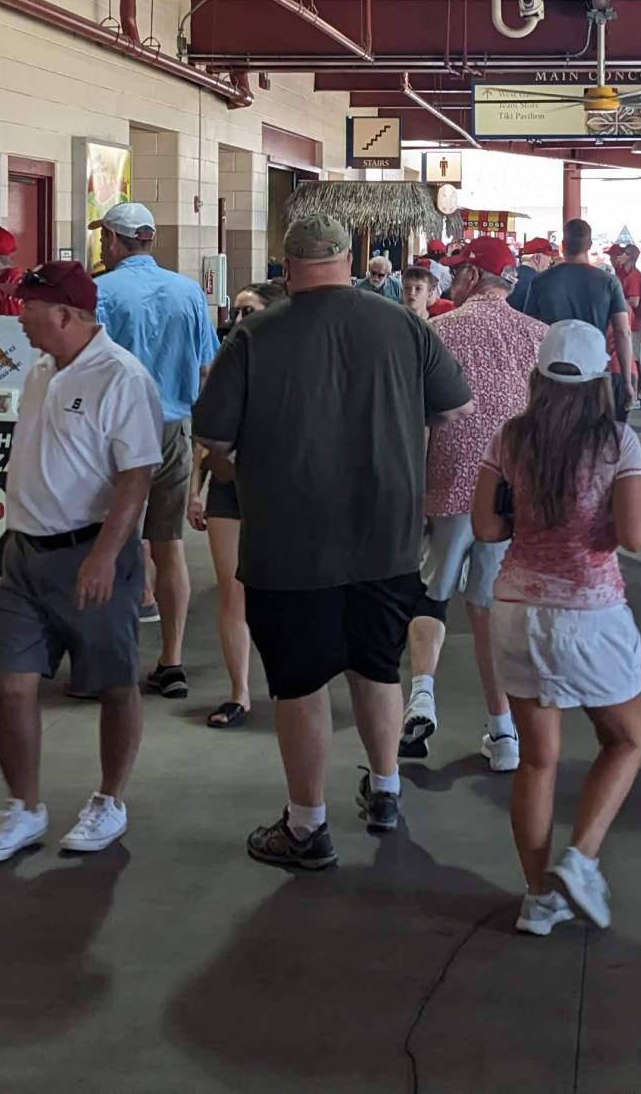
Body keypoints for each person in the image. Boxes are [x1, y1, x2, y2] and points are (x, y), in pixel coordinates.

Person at [193, 213, 473, 870]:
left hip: (288, 544)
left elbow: (214, 439)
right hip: (387, 538)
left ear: (287, 269)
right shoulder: (405, 325)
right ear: (351, 260)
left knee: (299, 684)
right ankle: (384, 790)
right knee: (377, 667)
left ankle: (306, 825)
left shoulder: (253, 336)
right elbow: (454, 409)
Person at [0, 260, 165, 862]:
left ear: (63, 314)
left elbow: (137, 475)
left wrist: (106, 556)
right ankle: (24, 808)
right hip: (26, 556)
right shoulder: (40, 371)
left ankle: (109, 800)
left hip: (90, 554)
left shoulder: (121, 377)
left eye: (25, 310)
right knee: (8, 685)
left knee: (112, 683)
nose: (18, 321)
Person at [472, 320, 641, 936]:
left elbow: (487, 530)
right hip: (591, 613)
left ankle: (536, 898)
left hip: (517, 611)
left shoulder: (510, 439)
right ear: (602, 378)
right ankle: (581, 858)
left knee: (537, 761)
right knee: (625, 741)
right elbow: (636, 536)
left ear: (538, 377)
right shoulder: (618, 443)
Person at [407, 235, 546, 771]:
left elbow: (421, 419)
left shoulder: (436, 332)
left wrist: (414, 491)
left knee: (432, 592)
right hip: (510, 493)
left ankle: (421, 694)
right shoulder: (537, 335)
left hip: (448, 481)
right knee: (487, 604)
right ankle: (503, 731)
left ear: (469, 278)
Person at [90, 200, 217, 703]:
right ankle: (172, 660)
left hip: (116, 432)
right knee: (168, 547)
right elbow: (207, 368)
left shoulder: (100, 292)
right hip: (173, 429)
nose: (102, 246)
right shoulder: (188, 292)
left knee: (115, 547)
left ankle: (112, 660)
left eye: (105, 238)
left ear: (117, 242)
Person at [189, 284, 275, 730]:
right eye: (237, 312)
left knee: (282, 591)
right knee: (233, 591)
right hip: (227, 488)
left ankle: (292, 684)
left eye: (250, 312)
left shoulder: (291, 365)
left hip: (280, 492)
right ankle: (239, 692)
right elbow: (204, 435)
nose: (239, 321)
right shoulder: (224, 363)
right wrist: (194, 489)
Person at [519, 220, 639, 408]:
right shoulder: (609, 282)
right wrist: (626, 381)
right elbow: (623, 332)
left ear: (563, 246)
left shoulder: (541, 282)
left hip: (552, 372)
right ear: (590, 246)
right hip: (594, 371)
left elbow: (528, 330)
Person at [505, 238, 555, 314]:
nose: (551, 261)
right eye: (549, 257)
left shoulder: (509, 275)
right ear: (537, 258)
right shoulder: (539, 281)